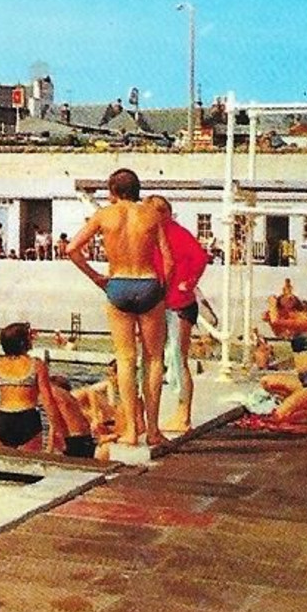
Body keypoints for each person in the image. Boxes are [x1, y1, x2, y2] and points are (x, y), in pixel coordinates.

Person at [67, 168, 172, 447]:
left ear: (112, 192)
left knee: (125, 359)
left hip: (118, 284)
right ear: (137, 190)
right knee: (154, 359)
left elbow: (71, 250)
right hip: (148, 282)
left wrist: (97, 278)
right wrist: (164, 289)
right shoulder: (152, 214)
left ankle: (130, 432)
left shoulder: (104, 215)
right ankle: (153, 430)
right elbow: (168, 260)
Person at [146, 196, 211, 432]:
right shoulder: (156, 235)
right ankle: (169, 412)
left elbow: (200, 259)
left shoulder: (176, 233)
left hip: (178, 303)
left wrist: (188, 281)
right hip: (163, 302)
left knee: (176, 357)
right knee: (160, 357)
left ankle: (183, 414)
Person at [0, 322, 56, 452]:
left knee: (2, 465)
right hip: (27, 419)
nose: (31, 339)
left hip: (4, 418)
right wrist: (57, 429)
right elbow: (48, 400)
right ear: (22, 342)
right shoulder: (37, 365)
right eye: (28, 337)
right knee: (29, 466)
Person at [259, 301, 307, 424]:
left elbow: (277, 322)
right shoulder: (300, 329)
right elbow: (279, 332)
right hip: (304, 380)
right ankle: (301, 401)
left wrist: (272, 303)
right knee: (266, 381)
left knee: (280, 417)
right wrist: (269, 321)